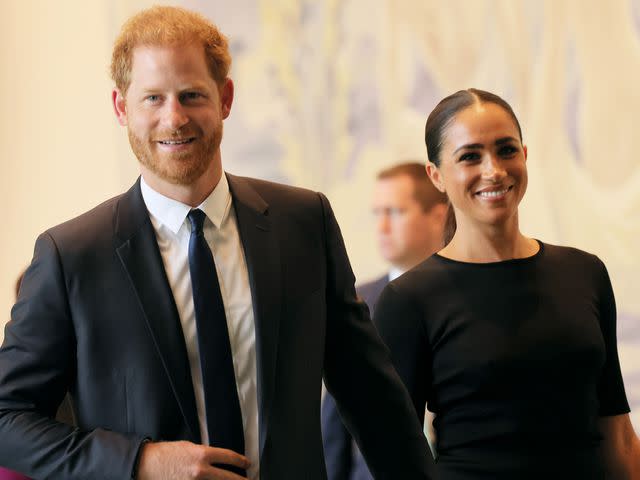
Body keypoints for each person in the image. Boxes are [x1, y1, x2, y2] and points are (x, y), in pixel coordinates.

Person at [0, 6, 435, 480]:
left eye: (191, 95)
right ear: (121, 107)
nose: (174, 118)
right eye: (152, 98)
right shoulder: (71, 256)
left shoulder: (304, 223)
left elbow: (372, 396)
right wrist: (139, 462)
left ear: (225, 97)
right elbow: (7, 419)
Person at [373, 88, 640, 479]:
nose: (494, 170)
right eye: (470, 156)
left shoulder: (585, 273)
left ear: (525, 155)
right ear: (437, 176)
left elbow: (617, 435)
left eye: (506, 150)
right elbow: (395, 456)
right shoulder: (409, 298)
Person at [322, 162, 446, 480]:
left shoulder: (474, 297)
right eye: (378, 213)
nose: (382, 227)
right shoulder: (354, 302)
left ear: (438, 215)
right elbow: (337, 423)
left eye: (395, 212)